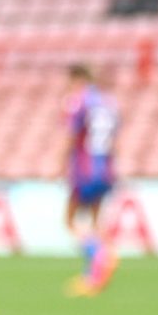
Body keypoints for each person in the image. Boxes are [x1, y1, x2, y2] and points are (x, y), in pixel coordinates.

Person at [64, 64, 120, 296]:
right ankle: (93, 277)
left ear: (78, 79)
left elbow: (71, 136)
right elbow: (115, 140)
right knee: (96, 222)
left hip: (84, 169)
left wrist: (60, 165)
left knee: (69, 221)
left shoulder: (78, 101)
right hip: (106, 168)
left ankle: (101, 257)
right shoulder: (110, 104)